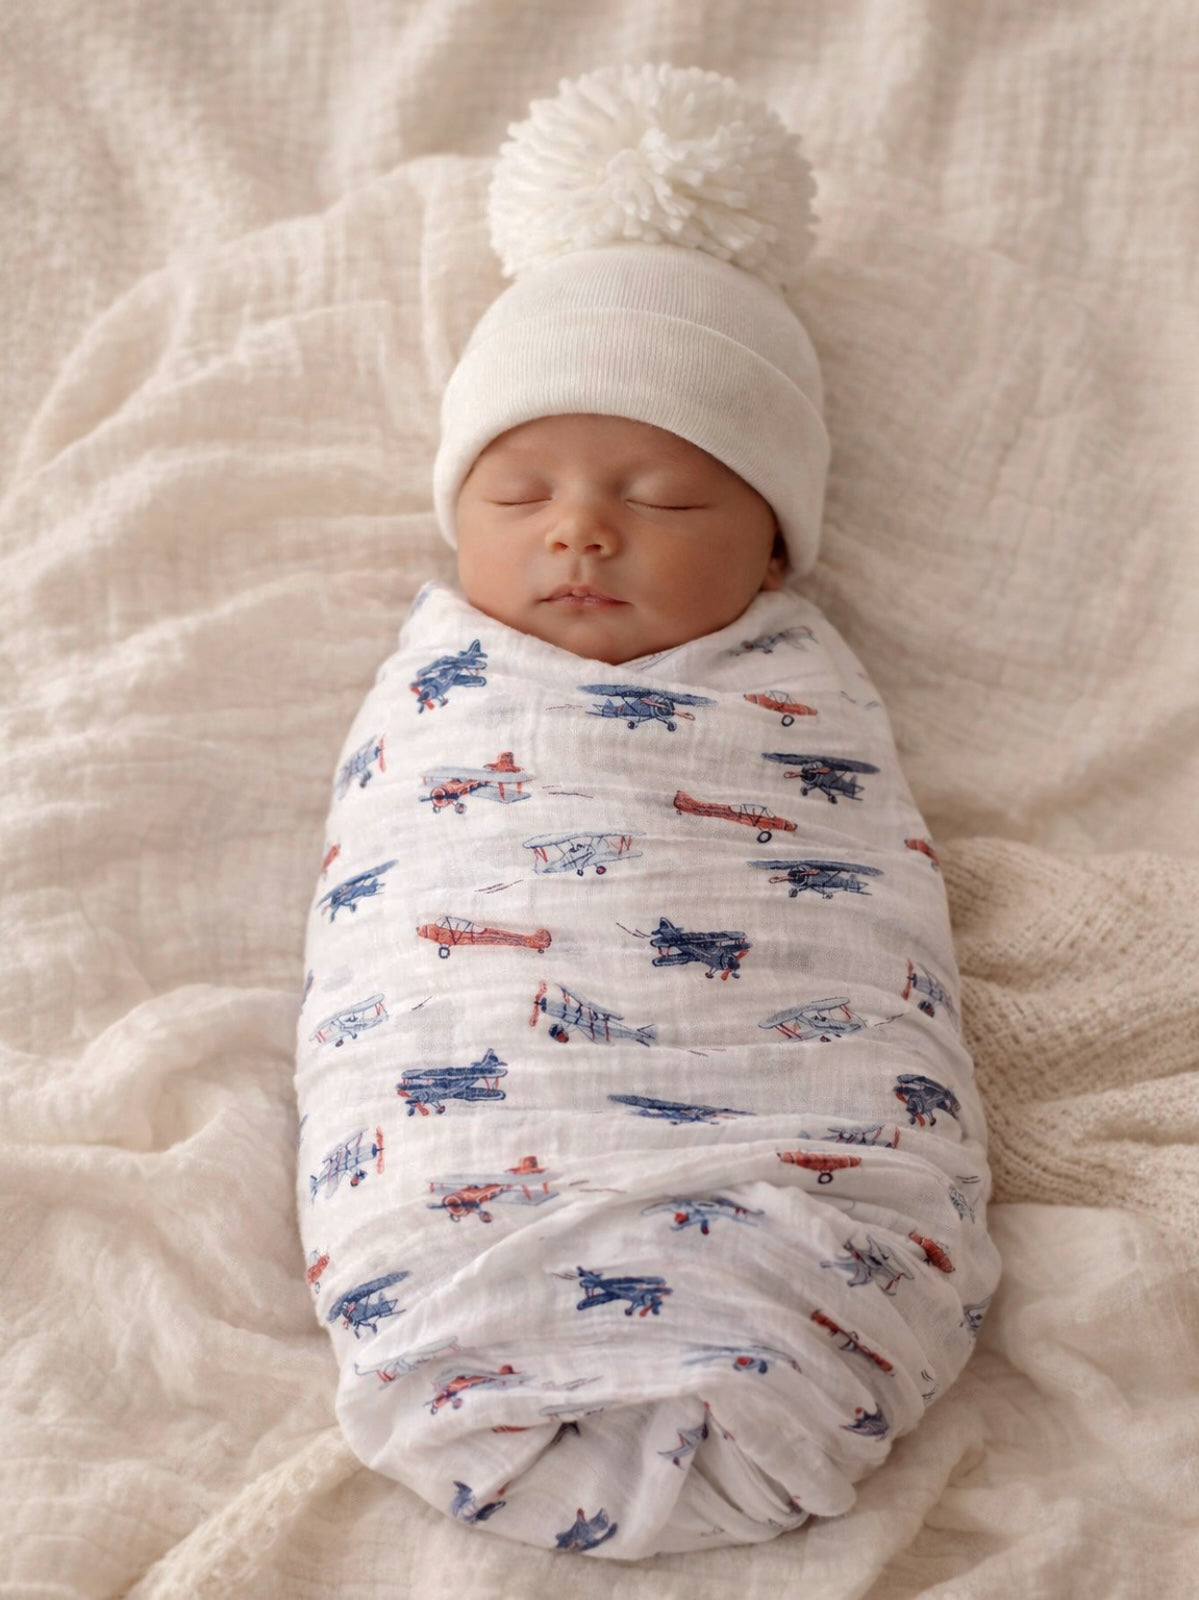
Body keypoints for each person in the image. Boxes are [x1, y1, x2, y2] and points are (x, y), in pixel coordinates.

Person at [295, 63, 1001, 1561]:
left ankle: (797, 1307)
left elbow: (864, 902)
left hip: (784, 1129)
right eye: (521, 489)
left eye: (662, 497)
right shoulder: (445, 695)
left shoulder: (807, 705)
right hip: (474, 1122)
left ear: (768, 551)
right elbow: (391, 923)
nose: (581, 528)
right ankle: (468, 1283)